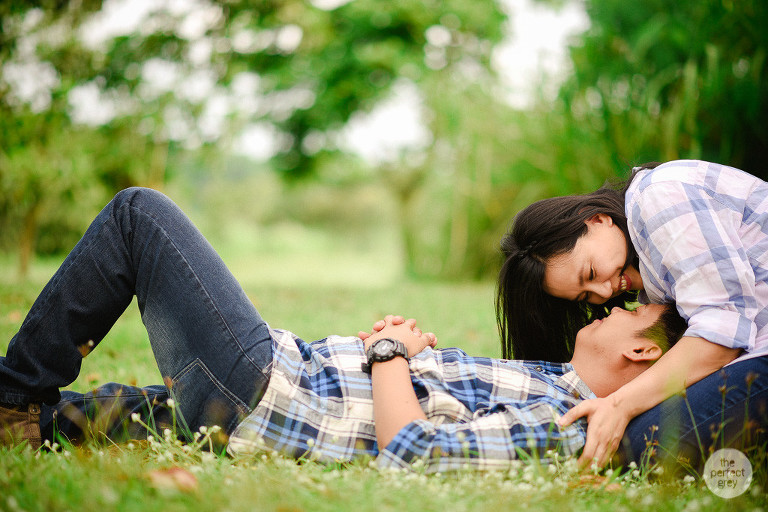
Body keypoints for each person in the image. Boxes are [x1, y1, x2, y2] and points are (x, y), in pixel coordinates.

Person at [1, 188, 685, 472]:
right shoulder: (547, 379)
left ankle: (13, 395)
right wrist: (391, 355)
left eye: (630, 309)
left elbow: (413, 452)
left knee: (137, 215)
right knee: (121, 414)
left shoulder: (566, 418)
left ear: (638, 351)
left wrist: (387, 352)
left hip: (265, 391)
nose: (609, 301)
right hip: (280, 380)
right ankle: (34, 421)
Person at [497, 159, 768, 469]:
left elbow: (722, 333)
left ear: (597, 220)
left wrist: (619, 405)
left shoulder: (660, 199)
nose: (604, 294)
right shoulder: (648, 276)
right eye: (585, 295)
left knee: (637, 442)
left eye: (591, 272)